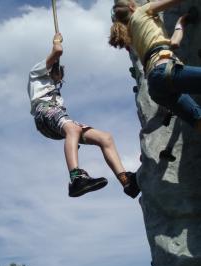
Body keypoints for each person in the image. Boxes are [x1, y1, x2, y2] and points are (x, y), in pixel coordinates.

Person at [27, 32, 140, 198]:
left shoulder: (52, 84)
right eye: (58, 77)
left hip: (57, 115)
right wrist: (56, 41)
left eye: (60, 80)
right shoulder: (36, 72)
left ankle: (126, 181)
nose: (58, 81)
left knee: (105, 138)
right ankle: (76, 179)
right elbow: (57, 51)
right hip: (44, 111)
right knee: (72, 129)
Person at [109, 0, 201, 132]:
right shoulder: (141, 12)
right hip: (164, 70)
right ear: (131, 6)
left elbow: (174, 43)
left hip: (156, 87)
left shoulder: (130, 33)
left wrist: (181, 22)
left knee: (198, 120)